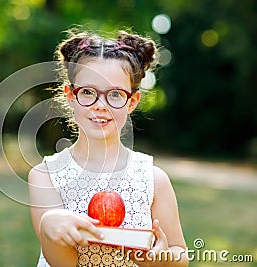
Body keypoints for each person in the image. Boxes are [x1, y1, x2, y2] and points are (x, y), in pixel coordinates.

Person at [28, 27, 188, 267]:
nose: (100, 105)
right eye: (88, 92)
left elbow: (180, 253)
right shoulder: (46, 176)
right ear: (70, 95)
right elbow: (62, 263)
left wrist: (161, 259)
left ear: (132, 101)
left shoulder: (153, 179)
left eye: (114, 94)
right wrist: (49, 225)